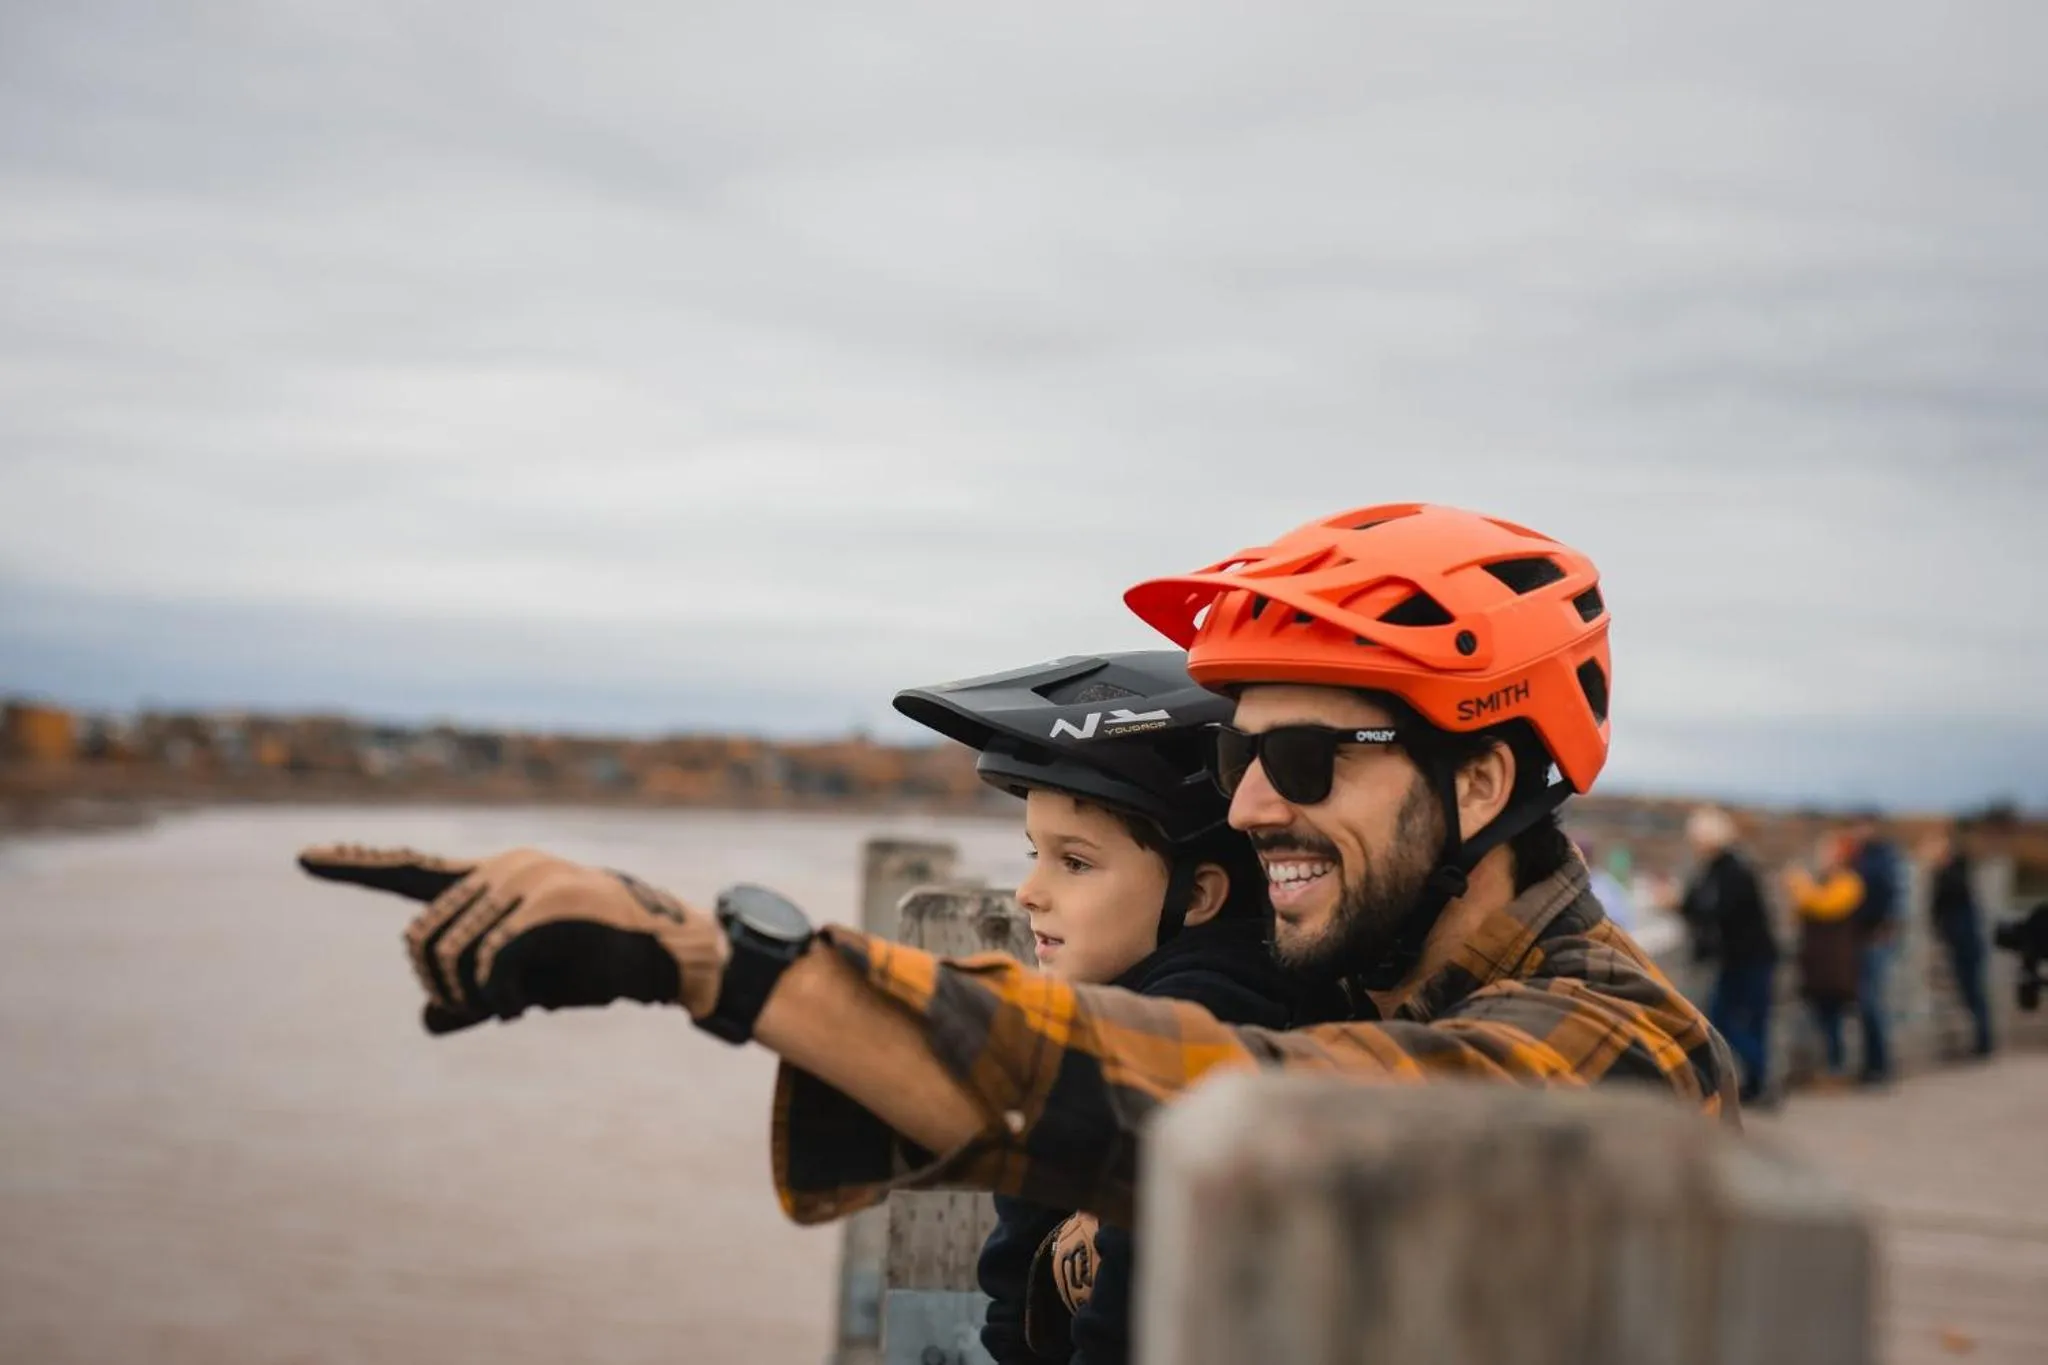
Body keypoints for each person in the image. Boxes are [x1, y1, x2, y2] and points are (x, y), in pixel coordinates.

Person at [295, 502, 1739, 1269]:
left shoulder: (1629, 1052)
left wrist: (713, 958)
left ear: (1481, 785)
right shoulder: (1356, 969)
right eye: (1237, 753)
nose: (1247, 806)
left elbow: (1257, 1107)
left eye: (1304, 755)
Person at [893, 651, 1297, 1364]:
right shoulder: (1123, 1014)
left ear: (1199, 896)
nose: (1028, 892)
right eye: (1032, 854)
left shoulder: (1191, 1045)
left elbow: (1113, 1328)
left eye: (1073, 862)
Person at [1677, 806, 1779, 1105]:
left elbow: (1718, 910)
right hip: (1743, 958)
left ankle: (1761, 1080)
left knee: (1726, 1021)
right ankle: (1758, 1084)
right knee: (1747, 1023)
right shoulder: (1723, 868)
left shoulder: (1731, 870)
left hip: (1747, 959)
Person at [1786, 834, 1865, 1086]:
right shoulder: (1824, 882)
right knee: (1824, 1018)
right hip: (1819, 963)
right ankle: (1831, 1067)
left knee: (1835, 1019)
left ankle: (1838, 1069)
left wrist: (1799, 884)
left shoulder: (1849, 883)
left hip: (1836, 963)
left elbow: (1824, 906)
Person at [1923, 822, 1994, 1058]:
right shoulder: (1943, 872)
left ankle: (1984, 1041)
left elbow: (1954, 891)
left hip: (1967, 941)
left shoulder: (1957, 868)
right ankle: (1981, 1040)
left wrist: (1939, 868)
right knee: (1967, 991)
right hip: (1955, 939)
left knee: (1974, 990)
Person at [1846, 814, 1902, 1085]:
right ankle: (1873, 1065)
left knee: (1871, 1003)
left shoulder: (1877, 861)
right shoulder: (1865, 858)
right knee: (1866, 1003)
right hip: (1864, 937)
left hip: (1874, 939)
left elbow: (1881, 896)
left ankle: (1878, 1067)